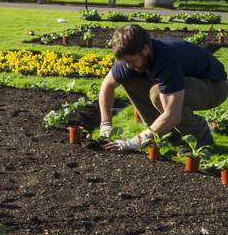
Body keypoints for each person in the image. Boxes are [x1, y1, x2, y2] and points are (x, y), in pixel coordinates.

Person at [98, 24, 228, 151]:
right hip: (190, 81)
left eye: (131, 61)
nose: (128, 66)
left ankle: (201, 138)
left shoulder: (167, 59)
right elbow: (107, 86)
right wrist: (106, 125)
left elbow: (173, 115)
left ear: (145, 49)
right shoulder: (130, 59)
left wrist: (136, 141)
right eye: (125, 62)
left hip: (214, 87)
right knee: (129, 78)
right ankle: (170, 135)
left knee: (157, 94)